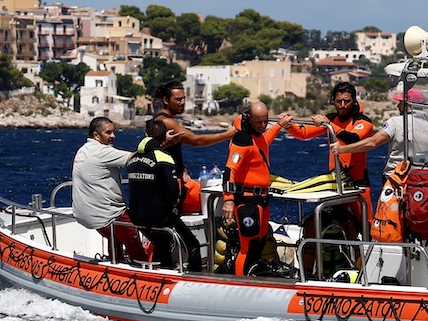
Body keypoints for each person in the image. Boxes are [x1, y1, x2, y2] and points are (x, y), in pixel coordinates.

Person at [221, 100, 293, 275]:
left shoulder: (258, 137)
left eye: (265, 121)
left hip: (262, 199)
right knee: (247, 246)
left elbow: (264, 141)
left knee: (258, 243)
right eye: (258, 122)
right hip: (247, 200)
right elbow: (230, 169)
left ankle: (253, 277)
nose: (262, 125)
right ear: (249, 119)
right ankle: (240, 283)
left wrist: (278, 126)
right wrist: (228, 200)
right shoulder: (242, 139)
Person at [127, 119, 203, 273]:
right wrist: (173, 204)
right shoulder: (164, 157)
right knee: (193, 245)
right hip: (159, 217)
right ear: (164, 137)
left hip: (136, 217)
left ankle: (164, 270)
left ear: (146, 135)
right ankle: (196, 277)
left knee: (163, 243)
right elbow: (174, 190)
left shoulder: (132, 159)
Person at [72, 117, 152, 263]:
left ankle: (117, 262)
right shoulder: (102, 152)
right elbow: (136, 157)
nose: (113, 136)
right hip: (108, 214)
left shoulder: (83, 150)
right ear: (96, 135)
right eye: (108, 133)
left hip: (86, 214)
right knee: (132, 239)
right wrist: (156, 143)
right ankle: (143, 267)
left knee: (114, 235)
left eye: (113, 132)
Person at [151, 81, 237, 215]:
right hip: (170, 185)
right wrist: (227, 135)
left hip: (170, 181)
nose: (182, 102)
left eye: (184, 98)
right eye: (178, 99)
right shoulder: (166, 121)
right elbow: (196, 141)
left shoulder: (159, 119)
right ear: (166, 100)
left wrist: (182, 167)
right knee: (216, 203)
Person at [285, 82, 376, 192]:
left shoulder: (363, 122)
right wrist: (288, 126)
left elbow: (352, 139)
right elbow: (303, 133)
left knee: (363, 209)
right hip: (336, 182)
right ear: (333, 101)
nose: (342, 105)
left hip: (359, 183)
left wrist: (328, 124)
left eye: (347, 101)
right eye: (339, 101)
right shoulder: (331, 120)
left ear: (354, 101)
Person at [330, 87, 428, 177]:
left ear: (408, 104)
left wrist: (342, 149)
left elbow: (372, 142)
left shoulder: (396, 123)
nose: (398, 106)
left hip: (398, 179)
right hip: (424, 179)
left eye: (401, 102)